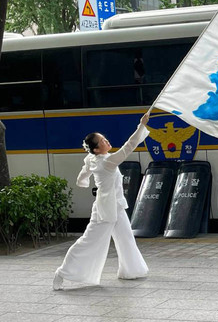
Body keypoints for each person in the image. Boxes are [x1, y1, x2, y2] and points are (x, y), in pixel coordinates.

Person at [53, 113, 151, 290]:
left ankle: (131, 271)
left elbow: (83, 174)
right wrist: (141, 126)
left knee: (126, 238)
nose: (107, 141)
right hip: (105, 210)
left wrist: (83, 181)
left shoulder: (92, 158)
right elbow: (129, 146)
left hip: (116, 206)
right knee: (89, 241)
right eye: (103, 141)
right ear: (97, 149)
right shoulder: (107, 162)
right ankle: (62, 273)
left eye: (105, 139)